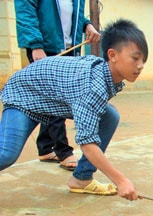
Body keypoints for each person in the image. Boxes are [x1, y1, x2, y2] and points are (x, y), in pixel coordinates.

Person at [0, 18, 148, 201]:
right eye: (135, 58)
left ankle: (82, 178)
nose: (140, 65)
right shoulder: (93, 88)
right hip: (22, 95)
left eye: (143, 59)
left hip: (49, 98)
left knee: (109, 116)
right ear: (112, 55)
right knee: (6, 154)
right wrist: (121, 180)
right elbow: (87, 144)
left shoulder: (104, 74)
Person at [14, 0, 101, 171]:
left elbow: (70, 14)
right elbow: (25, 11)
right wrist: (35, 45)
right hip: (45, 49)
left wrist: (87, 25)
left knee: (51, 100)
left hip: (70, 49)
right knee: (60, 99)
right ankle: (63, 151)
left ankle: (45, 147)